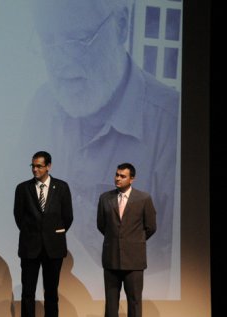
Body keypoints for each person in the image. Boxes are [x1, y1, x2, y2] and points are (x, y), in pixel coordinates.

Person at [24, 0, 179, 293]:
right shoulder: (41, 108)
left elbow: (174, 263)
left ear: (121, 25)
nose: (61, 61)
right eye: (48, 41)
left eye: (80, 39)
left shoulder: (171, 124)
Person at [13, 151, 73, 317]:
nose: (35, 169)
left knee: (51, 293)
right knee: (28, 292)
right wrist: (34, 234)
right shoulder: (23, 188)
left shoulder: (61, 187)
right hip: (30, 247)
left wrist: (52, 234)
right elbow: (19, 217)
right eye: (32, 166)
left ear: (49, 166)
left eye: (39, 166)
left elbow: (67, 217)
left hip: (53, 248)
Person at [96, 163, 156, 317]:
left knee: (134, 298)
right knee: (111, 297)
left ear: (132, 179)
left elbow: (151, 227)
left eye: (122, 176)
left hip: (134, 258)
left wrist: (134, 241)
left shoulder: (143, 198)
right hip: (111, 255)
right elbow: (101, 225)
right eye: (116, 175)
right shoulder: (105, 198)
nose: (117, 178)